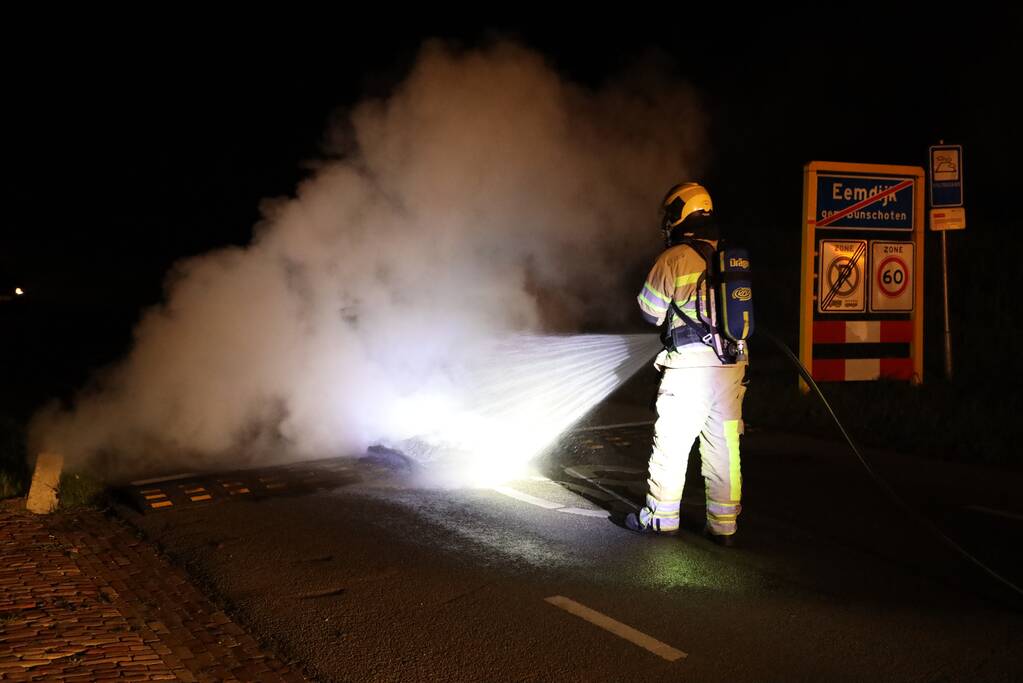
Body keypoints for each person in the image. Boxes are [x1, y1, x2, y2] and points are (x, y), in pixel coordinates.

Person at [625, 182, 748, 546]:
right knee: (724, 446)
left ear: (681, 214)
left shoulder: (675, 258)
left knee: (673, 445)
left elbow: (649, 312)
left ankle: (661, 519)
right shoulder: (728, 254)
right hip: (731, 366)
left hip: (689, 369)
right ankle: (724, 525)